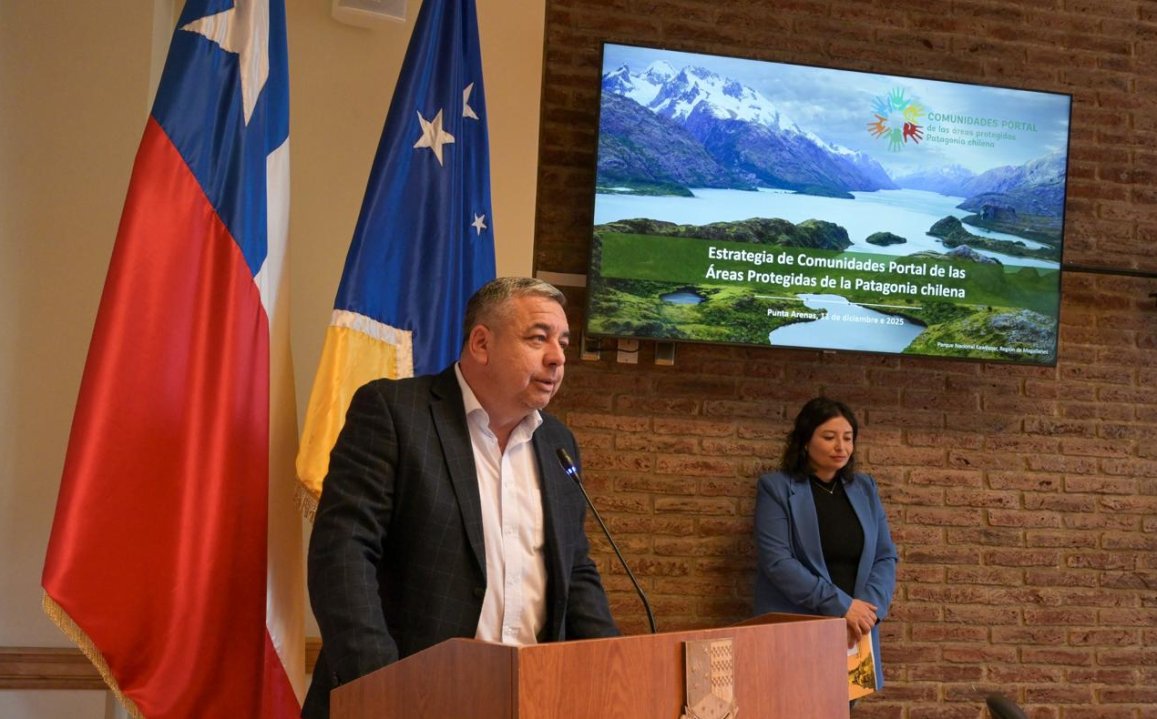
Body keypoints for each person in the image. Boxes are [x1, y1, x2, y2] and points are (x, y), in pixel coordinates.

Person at [302, 277, 620, 719]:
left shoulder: (557, 443)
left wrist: (615, 673)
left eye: (563, 343)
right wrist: (382, 687)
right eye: (538, 339)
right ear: (481, 343)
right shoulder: (395, 414)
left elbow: (575, 570)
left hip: (527, 701)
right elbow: (343, 554)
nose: (558, 358)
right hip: (408, 700)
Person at [753, 396, 897, 698]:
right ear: (805, 441)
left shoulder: (865, 488)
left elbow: (885, 556)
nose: (841, 447)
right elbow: (778, 563)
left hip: (854, 634)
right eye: (829, 437)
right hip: (797, 631)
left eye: (848, 438)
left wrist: (866, 613)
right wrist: (842, 607)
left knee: (843, 708)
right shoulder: (775, 488)